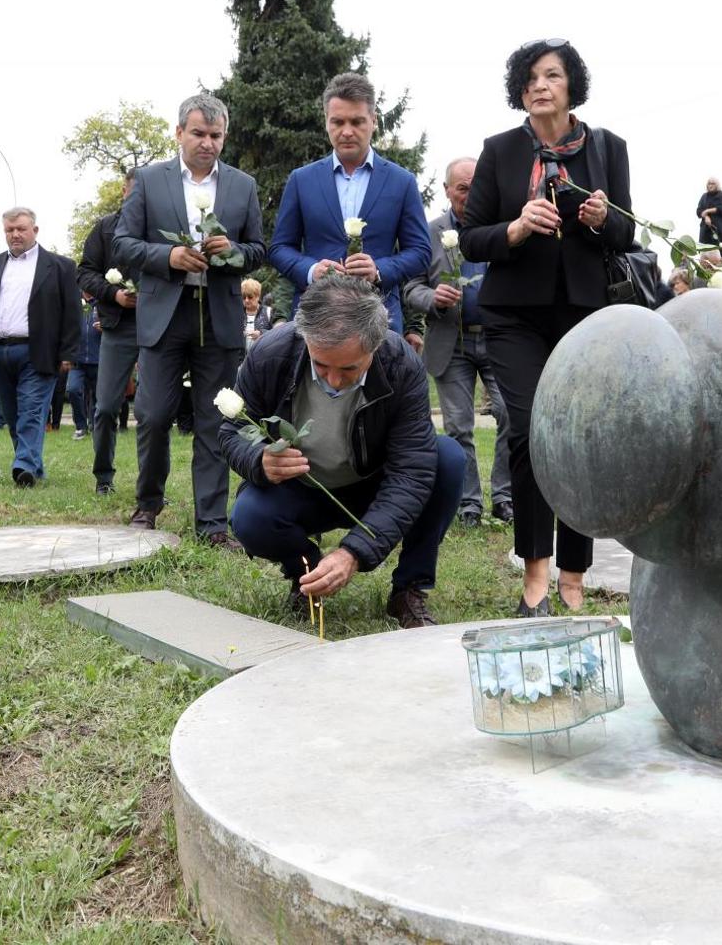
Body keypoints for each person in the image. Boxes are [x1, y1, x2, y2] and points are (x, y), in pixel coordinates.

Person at [457, 38, 634, 617]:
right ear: (520, 89)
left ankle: (574, 573)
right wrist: (514, 228)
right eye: (530, 77)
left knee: (579, 436)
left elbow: (627, 234)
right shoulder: (500, 150)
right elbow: (472, 237)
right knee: (532, 429)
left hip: (585, 316)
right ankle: (535, 570)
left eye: (552, 75)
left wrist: (603, 219)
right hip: (514, 315)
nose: (539, 85)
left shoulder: (607, 148)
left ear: (571, 85)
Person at [222, 274, 464, 629]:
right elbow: (231, 430)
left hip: (374, 485)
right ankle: (306, 575)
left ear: (375, 346)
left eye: (349, 368)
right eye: (321, 365)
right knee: (250, 517)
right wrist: (259, 459)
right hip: (301, 487)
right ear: (305, 338)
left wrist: (355, 552)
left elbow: (412, 472)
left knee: (447, 459)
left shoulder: (401, 365)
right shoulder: (271, 354)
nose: (334, 380)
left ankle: (409, 589)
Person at [112, 93, 265, 544]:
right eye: (198, 133)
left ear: (225, 136)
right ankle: (148, 504)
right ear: (179, 132)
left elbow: (259, 250)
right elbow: (122, 243)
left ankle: (212, 524)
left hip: (219, 317)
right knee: (153, 415)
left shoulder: (243, 185)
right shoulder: (148, 180)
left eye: (216, 135)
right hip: (164, 314)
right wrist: (168, 256)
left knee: (215, 422)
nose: (207, 143)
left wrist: (233, 252)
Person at [268, 73, 430, 333]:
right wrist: (311, 270)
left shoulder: (402, 182)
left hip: (380, 320)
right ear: (326, 121)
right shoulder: (301, 180)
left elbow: (421, 251)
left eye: (357, 121)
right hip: (316, 318)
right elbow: (279, 248)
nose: (346, 131)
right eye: (338, 122)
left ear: (373, 120)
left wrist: (379, 270)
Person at [402, 155, 513, 528]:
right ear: (448, 190)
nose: (471, 193)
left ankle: (505, 497)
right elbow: (410, 286)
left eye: (476, 185)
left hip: (500, 340)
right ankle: (469, 505)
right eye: (463, 187)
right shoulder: (428, 231)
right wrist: (432, 298)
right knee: (458, 426)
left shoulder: (504, 227)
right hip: (452, 344)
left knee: (511, 415)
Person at [0, 208, 81, 487]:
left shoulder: (60, 266)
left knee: (32, 411)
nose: (15, 234)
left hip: (39, 351)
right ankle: (32, 467)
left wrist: (68, 353)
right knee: (12, 415)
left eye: (21, 229)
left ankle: (22, 464)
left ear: (34, 230)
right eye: (9, 230)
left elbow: (72, 313)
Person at [79, 171, 139, 495]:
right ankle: (104, 478)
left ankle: (152, 485)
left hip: (160, 326)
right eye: (135, 190)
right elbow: (85, 273)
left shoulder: (162, 229)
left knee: (154, 412)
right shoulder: (104, 228)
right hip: (118, 327)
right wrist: (113, 294)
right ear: (124, 191)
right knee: (105, 407)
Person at [67, 300, 102, 441]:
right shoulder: (75, 303)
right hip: (77, 361)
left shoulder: (102, 303)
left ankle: (95, 426)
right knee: (73, 389)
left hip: (99, 359)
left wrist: (105, 327)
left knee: (98, 397)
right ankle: (81, 426)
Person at [696, 177, 722, 257]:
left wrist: (707, 211)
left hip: (719, 231)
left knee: (720, 252)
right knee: (705, 253)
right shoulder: (704, 197)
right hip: (705, 232)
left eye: (713, 183)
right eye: (709, 184)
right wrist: (706, 217)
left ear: (717, 185)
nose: (710, 185)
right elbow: (698, 211)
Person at [241, 277, 273, 349]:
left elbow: (277, 334)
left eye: (250, 297)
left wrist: (261, 334)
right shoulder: (237, 313)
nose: (246, 300)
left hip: (263, 354)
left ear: (257, 296)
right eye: (244, 297)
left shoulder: (269, 312)